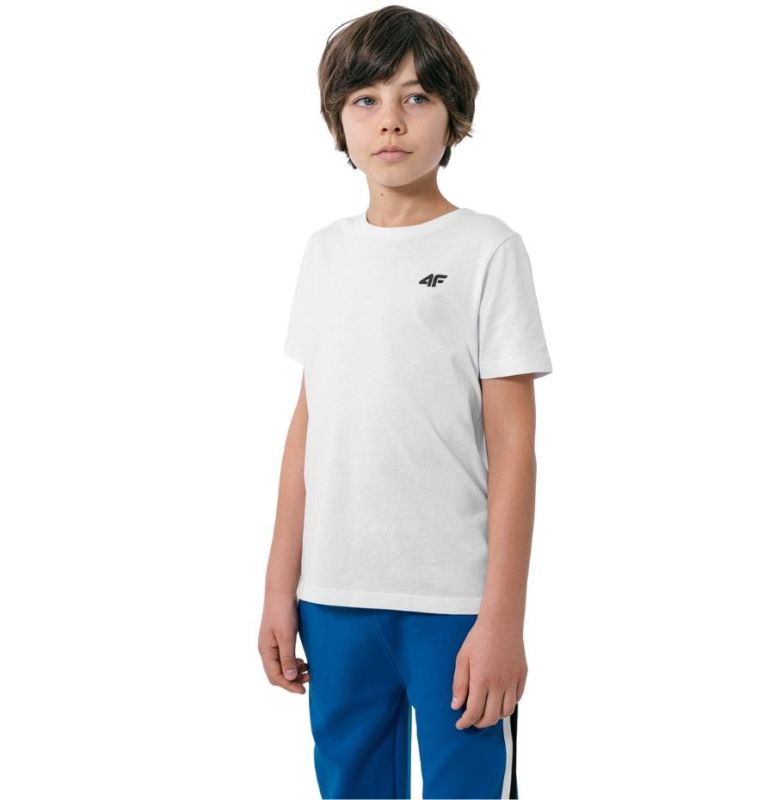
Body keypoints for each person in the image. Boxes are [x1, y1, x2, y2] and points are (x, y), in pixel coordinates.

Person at [258, 6, 553, 798]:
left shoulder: (488, 250)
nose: (391, 119)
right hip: (333, 598)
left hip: (454, 601)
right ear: (338, 120)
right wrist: (279, 590)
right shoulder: (325, 253)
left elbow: (514, 448)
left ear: (454, 117)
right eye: (367, 99)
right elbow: (308, 429)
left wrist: (503, 618)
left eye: (417, 97)